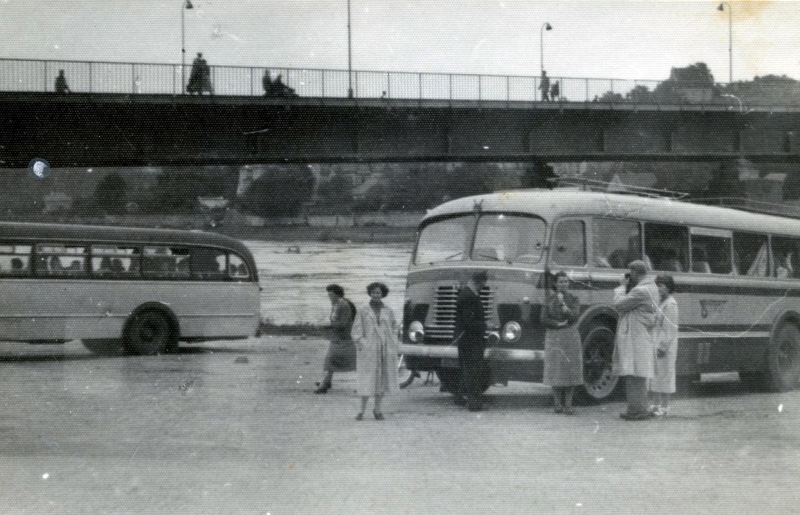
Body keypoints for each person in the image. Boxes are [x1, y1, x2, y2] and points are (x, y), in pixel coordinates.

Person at [612, 260, 659, 421]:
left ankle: (637, 410)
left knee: (634, 373)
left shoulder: (641, 290)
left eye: (631, 273)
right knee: (637, 373)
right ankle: (637, 408)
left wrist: (621, 287)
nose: (628, 276)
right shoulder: (651, 287)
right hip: (640, 335)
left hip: (636, 336)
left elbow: (619, 304)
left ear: (637, 273)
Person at [351, 282, 399, 420]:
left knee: (382, 380)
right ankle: (361, 411)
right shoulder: (363, 310)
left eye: (378, 293)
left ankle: (377, 410)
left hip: (384, 349)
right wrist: (363, 343)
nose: (376, 295)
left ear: (382, 294)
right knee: (366, 379)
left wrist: (393, 339)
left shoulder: (388, 310)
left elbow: (395, 326)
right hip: (369, 350)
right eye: (373, 292)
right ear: (370, 293)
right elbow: (356, 330)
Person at [540, 271, 583, 414]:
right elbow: (543, 319)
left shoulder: (574, 299)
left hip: (570, 336)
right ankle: (557, 404)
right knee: (556, 370)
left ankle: (568, 405)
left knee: (570, 370)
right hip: (554, 336)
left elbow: (574, 317)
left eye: (566, 281)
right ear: (555, 284)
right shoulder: (548, 299)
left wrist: (564, 306)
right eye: (560, 282)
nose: (563, 284)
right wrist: (557, 324)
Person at [453, 270, 489, 411]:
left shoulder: (466, 293)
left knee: (466, 368)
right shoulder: (469, 296)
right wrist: (486, 325)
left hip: (465, 338)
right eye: (484, 283)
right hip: (471, 339)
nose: (484, 286)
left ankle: (460, 396)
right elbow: (469, 322)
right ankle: (474, 403)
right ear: (479, 282)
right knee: (472, 370)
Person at [314, 284, 357, 394]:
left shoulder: (343, 305)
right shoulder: (337, 304)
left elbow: (342, 324)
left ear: (338, 294)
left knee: (331, 360)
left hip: (343, 338)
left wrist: (325, 325)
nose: (330, 297)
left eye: (332, 295)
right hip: (338, 337)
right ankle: (326, 382)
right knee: (332, 361)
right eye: (328, 295)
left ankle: (324, 385)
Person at [650, 275, 679, 417]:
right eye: (657, 285)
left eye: (661, 286)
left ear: (668, 287)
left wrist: (662, 346)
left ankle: (665, 406)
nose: (658, 288)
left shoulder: (671, 304)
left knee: (666, 375)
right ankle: (655, 404)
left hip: (665, 346)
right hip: (656, 341)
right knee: (655, 375)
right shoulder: (661, 302)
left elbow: (670, 329)